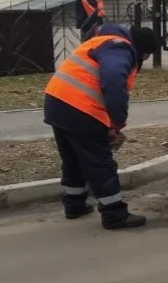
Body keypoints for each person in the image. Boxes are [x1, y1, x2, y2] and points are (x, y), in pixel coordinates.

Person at [44, 23, 158, 229]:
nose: (143, 62)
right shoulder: (120, 47)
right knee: (100, 163)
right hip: (80, 109)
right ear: (141, 49)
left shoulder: (102, 41)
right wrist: (117, 122)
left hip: (56, 101)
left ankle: (74, 205)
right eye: (145, 57)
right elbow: (114, 81)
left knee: (72, 158)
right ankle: (114, 214)